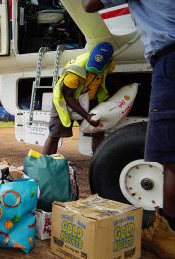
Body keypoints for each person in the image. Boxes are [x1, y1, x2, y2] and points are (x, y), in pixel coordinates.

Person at [82, 1, 175, 257]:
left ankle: (169, 234)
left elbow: (89, 4)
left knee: (171, 160)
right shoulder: (77, 73)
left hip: (170, 57)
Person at [43, 42, 115, 155]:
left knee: (97, 131)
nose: (92, 72)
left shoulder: (109, 64)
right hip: (66, 101)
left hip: (88, 98)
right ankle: (45, 164)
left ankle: (97, 163)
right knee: (55, 134)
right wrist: (86, 116)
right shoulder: (75, 71)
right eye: (90, 70)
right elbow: (68, 96)